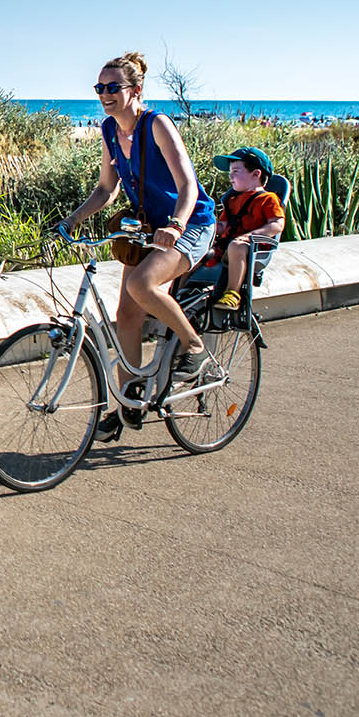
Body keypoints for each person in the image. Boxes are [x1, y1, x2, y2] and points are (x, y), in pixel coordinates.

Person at [59, 51, 217, 442]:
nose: (105, 94)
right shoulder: (110, 130)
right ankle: (127, 404)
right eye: (100, 88)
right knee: (125, 316)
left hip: (191, 225)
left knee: (142, 286)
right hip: (146, 227)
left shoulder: (157, 124)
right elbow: (105, 189)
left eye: (113, 87)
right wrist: (72, 219)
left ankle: (193, 346)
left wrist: (178, 225)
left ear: (136, 90)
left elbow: (188, 186)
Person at [205, 146, 285, 311]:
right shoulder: (233, 200)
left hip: (251, 248)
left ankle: (232, 294)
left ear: (256, 174)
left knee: (236, 245)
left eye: (235, 171)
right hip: (226, 247)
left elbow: (277, 223)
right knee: (195, 250)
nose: (230, 176)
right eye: (230, 172)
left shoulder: (268, 199)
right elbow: (223, 226)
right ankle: (175, 293)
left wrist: (250, 236)